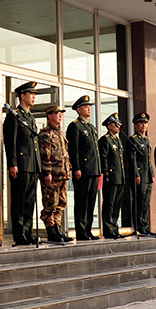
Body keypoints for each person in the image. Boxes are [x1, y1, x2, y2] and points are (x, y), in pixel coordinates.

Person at [3, 81, 43, 245]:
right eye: (30, 94)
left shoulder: (29, 117)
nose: (33, 97)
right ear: (22, 96)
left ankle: (28, 232)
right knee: (19, 201)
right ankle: (19, 235)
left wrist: (38, 164)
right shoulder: (14, 116)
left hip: (32, 165)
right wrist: (12, 163)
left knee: (29, 202)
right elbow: (10, 142)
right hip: (21, 164)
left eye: (34, 94)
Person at [66, 95, 101, 241]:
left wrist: (99, 169)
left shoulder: (91, 127)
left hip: (93, 170)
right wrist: (76, 168)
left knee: (91, 202)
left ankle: (88, 230)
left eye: (89, 106)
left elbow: (95, 151)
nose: (89, 109)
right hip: (83, 170)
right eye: (85, 106)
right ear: (78, 110)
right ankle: (81, 232)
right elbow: (73, 149)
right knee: (82, 202)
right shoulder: (75, 126)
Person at [39, 104, 73, 243]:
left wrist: (68, 168)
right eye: (57, 113)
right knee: (50, 204)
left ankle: (57, 229)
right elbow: (44, 155)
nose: (60, 115)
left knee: (60, 204)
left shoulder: (60, 133)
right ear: (49, 116)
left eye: (61, 113)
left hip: (62, 174)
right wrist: (47, 172)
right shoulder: (45, 134)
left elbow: (65, 154)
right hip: (52, 176)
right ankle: (51, 230)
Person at [126, 112, 156, 237]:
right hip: (140, 174)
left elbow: (148, 160)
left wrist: (152, 173)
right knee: (140, 201)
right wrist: (136, 174)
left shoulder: (146, 139)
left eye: (145, 123)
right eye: (141, 123)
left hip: (147, 174)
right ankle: (139, 225)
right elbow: (132, 159)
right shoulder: (133, 139)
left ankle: (145, 226)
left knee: (146, 202)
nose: (144, 125)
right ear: (136, 125)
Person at [97, 113, 125, 239]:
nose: (118, 126)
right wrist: (106, 175)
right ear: (109, 126)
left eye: (119, 124)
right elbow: (104, 159)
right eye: (116, 124)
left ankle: (114, 227)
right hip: (111, 177)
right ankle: (108, 229)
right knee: (109, 203)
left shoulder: (117, 140)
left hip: (119, 177)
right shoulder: (105, 140)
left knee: (116, 205)